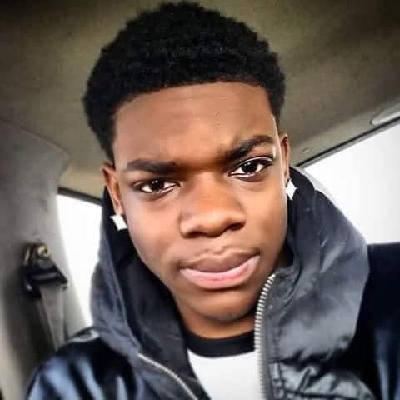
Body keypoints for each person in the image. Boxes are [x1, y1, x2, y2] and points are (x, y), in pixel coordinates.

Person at [26, 2, 400, 399]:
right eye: (156, 184)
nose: (211, 217)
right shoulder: (72, 385)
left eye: (250, 166)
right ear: (117, 194)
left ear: (283, 165)